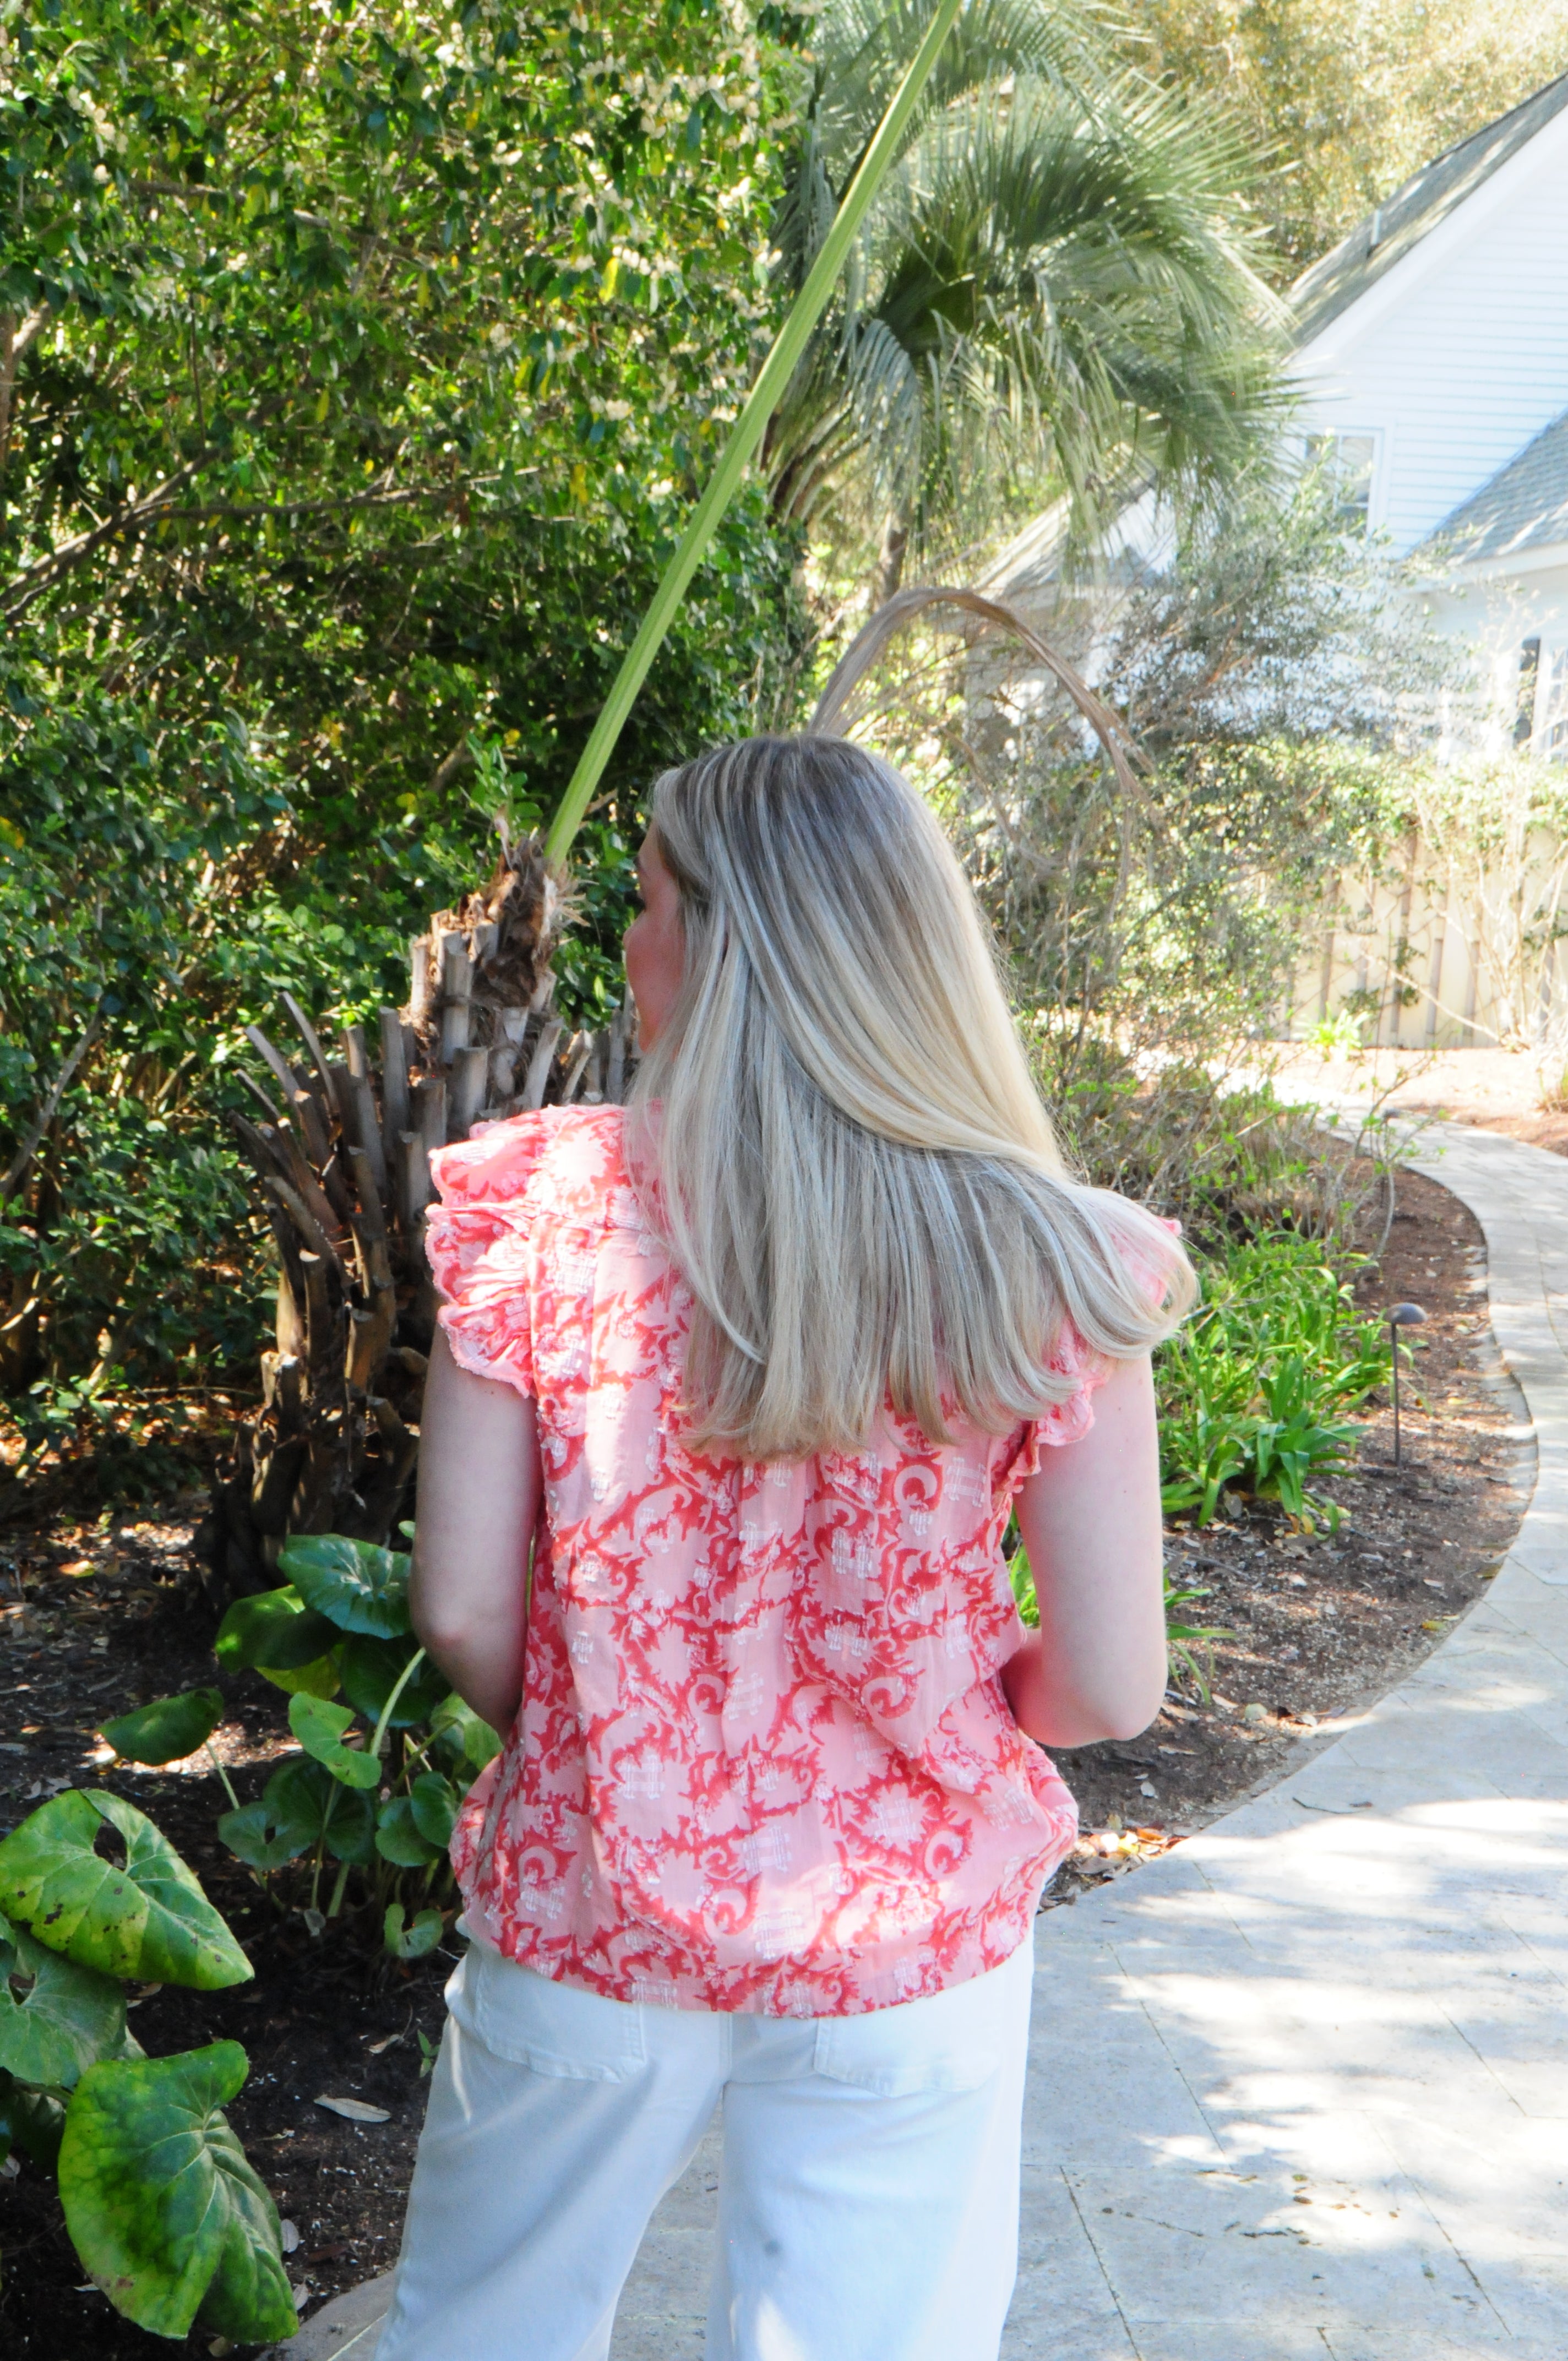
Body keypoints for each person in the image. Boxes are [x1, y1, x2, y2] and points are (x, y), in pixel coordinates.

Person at [374, 733, 1194, 2361]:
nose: (627, 940)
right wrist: (923, 1730)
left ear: (730, 944)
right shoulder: (1056, 1262)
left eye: (650, 902)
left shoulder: (543, 1213)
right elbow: (1110, 1687)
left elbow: (460, 1608)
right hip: (911, 1937)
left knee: (486, 2330)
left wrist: (622, 1747)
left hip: (593, 1901)